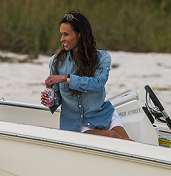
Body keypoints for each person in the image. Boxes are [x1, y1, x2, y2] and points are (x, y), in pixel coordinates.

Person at [44, 11, 130, 140]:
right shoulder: (56, 62)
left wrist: (66, 78)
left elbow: (97, 83)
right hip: (77, 125)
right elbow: (57, 100)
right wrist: (51, 100)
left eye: (66, 34)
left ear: (79, 34)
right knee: (113, 137)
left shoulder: (102, 58)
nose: (62, 39)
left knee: (130, 144)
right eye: (61, 34)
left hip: (103, 116)